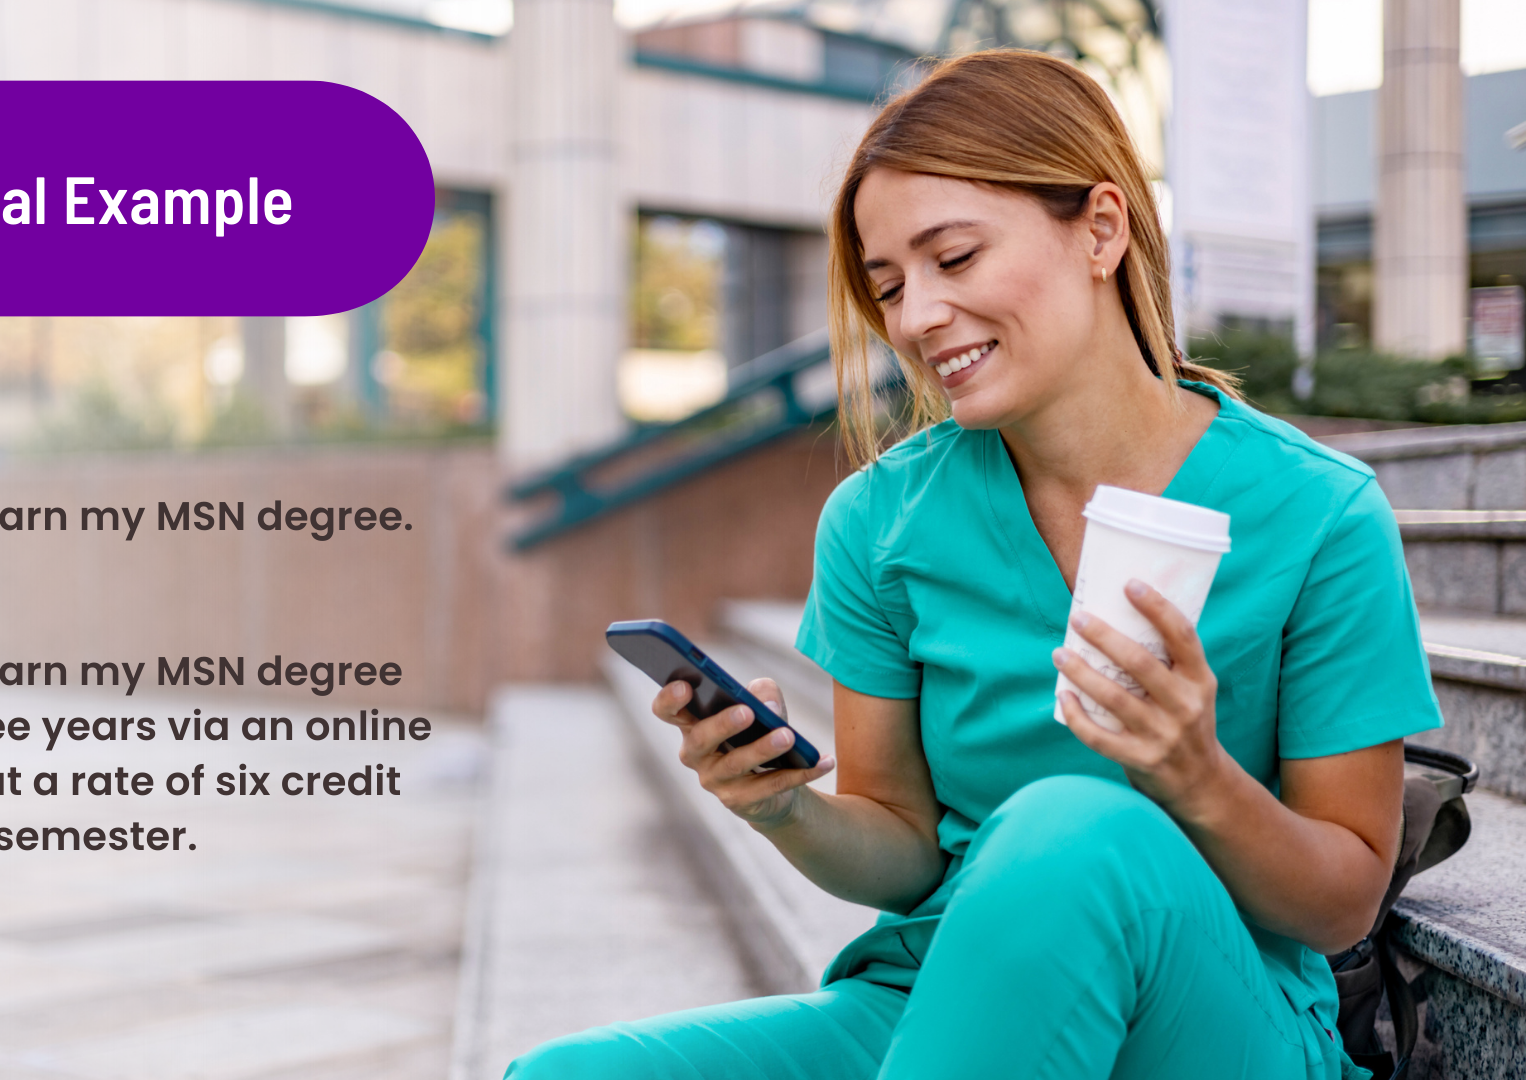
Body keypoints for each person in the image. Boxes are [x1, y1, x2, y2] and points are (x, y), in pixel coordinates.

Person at [505, 49, 1441, 1080]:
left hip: (1216, 1022)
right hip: (942, 999)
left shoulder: (1318, 512)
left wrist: (1197, 779)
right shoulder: (879, 522)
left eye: (953, 259)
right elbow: (903, 849)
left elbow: (1346, 896)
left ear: (1100, 227)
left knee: (1074, 830)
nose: (914, 319)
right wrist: (783, 807)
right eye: (890, 285)